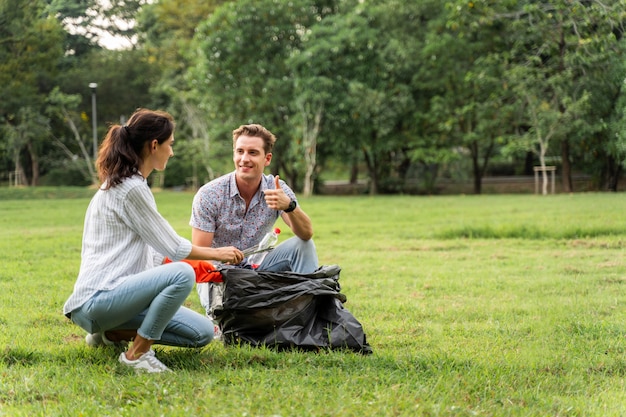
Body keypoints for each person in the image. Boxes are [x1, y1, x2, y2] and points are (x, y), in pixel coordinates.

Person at [63, 108, 244, 373]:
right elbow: (174, 247)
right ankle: (136, 355)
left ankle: (109, 334)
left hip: (114, 300)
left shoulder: (127, 184)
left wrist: (200, 266)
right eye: (170, 145)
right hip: (98, 298)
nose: (171, 152)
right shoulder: (131, 188)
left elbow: (153, 251)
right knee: (182, 273)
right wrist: (218, 254)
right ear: (154, 145)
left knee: (202, 332)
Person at [189, 124, 319, 325]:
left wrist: (289, 206)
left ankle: (309, 316)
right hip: (219, 276)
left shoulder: (276, 189)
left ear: (267, 158)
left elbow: (307, 233)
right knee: (234, 325)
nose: (244, 159)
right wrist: (222, 255)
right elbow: (199, 253)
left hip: (259, 271)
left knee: (304, 245)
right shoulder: (209, 195)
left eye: (253, 152)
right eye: (240, 151)